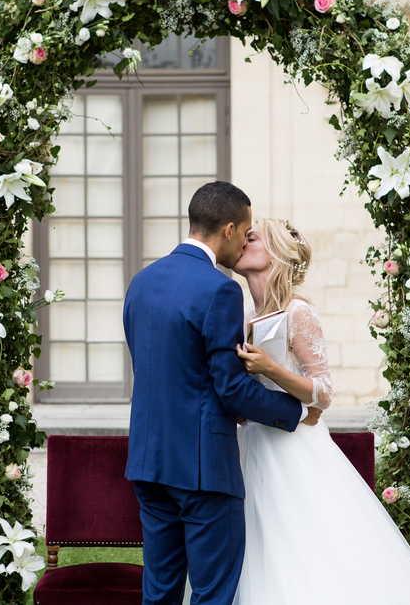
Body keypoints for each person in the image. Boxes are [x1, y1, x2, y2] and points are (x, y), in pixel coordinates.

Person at [124, 182, 320, 605]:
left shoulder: (140, 282)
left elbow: (153, 370)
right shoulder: (220, 290)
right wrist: (294, 410)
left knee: (158, 593)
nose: (246, 242)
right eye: (246, 232)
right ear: (229, 229)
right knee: (212, 595)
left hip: (148, 461)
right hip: (203, 468)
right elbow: (231, 388)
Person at [231, 218, 410, 604]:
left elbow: (324, 392)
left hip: (295, 451)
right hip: (252, 445)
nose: (242, 244)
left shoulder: (298, 312)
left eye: (252, 238)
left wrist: (272, 369)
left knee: (304, 551)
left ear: (276, 253)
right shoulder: (243, 313)